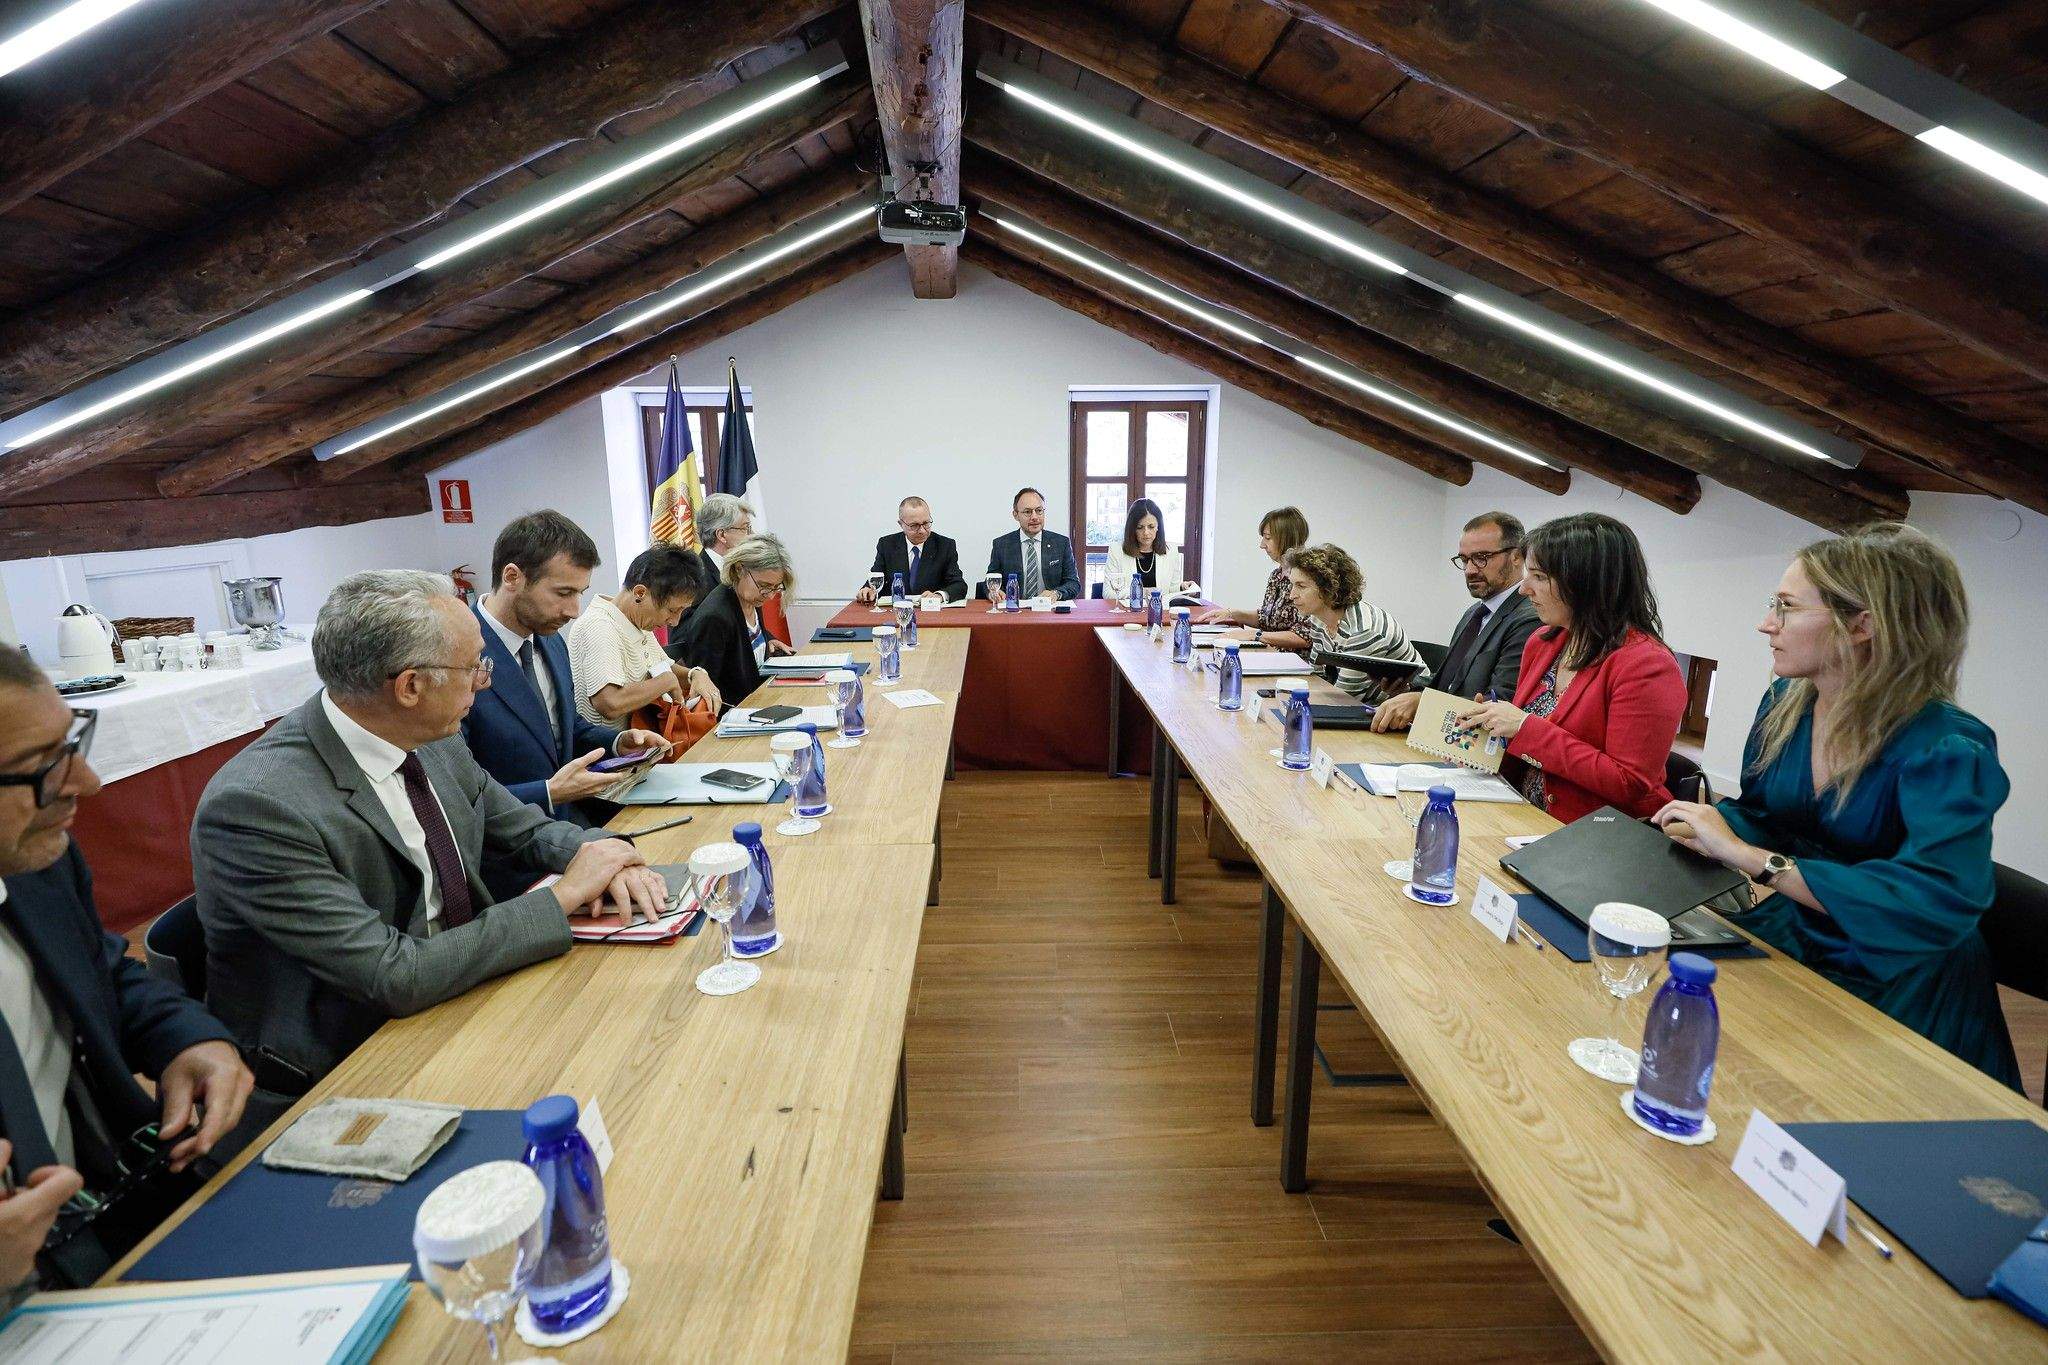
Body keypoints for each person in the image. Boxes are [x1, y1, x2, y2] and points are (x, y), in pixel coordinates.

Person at [193, 571, 670, 1147]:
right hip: (355, 1067)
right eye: (474, 668)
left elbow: (520, 829)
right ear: (410, 686)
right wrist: (563, 896)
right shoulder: (257, 806)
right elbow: (395, 975)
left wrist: (610, 856)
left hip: (465, 990)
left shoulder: (432, 735)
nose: (485, 684)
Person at [1653, 524, 2022, 1089]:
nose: (1765, 623)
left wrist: (1755, 860)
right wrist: (1706, 825)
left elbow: (1929, 903)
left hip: (1900, 977)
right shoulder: (1786, 704)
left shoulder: (1949, 747)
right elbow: (1772, 818)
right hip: (1802, 933)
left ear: (1863, 624)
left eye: (1787, 607)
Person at [0, 649, 251, 1296]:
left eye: (72, 742)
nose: (88, 782)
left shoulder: (36, 861)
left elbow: (101, 967)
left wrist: (189, 1036)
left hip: (129, 1204)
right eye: (43, 766)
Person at [1457, 513, 1685, 823]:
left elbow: (1628, 783)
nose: (1524, 589)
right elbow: (1527, 753)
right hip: (1519, 815)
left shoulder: (1647, 664)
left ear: (1584, 583)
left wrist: (1524, 727)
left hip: (1592, 835)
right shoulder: (1543, 642)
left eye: (1538, 576)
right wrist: (1488, 740)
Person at [463, 511, 669, 837]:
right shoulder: (460, 656)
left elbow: (566, 728)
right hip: (507, 846)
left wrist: (617, 743)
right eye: (563, 593)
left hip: (570, 824)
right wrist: (548, 792)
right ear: (512, 577)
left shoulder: (550, 640)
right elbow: (459, 797)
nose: (574, 611)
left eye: (580, 593)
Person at [1372, 511, 1540, 733]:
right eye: (1464, 559)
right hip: (1435, 734)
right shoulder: (1474, 613)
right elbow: (1448, 684)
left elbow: (1500, 703)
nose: (1470, 570)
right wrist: (1407, 688)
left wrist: (1420, 703)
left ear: (1517, 556)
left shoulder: (1529, 619)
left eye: (1482, 558)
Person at [566, 544, 722, 727]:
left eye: (681, 611)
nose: (674, 622)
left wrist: (695, 674)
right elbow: (609, 703)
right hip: (609, 751)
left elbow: (663, 667)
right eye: (672, 610)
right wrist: (665, 682)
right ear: (640, 593)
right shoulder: (599, 626)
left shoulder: (637, 622)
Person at [1281, 544, 1424, 704]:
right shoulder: (1318, 618)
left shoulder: (1364, 630)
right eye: (1292, 585)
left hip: (1402, 713)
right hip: (1366, 706)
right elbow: (1317, 677)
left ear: (1328, 588)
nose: (1291, 595)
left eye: (1301, 586)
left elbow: (1344, 700)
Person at [673, 533, 798, 705]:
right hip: (734, 714)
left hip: (760, 700)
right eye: (764, 586)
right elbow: (706, 694)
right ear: (739, 569)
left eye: (775, 588)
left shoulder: (750, 598)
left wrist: (767, 640)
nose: (769, 596)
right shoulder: (715, 618)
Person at [1195, 506, 1311, 652]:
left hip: (1295, 663)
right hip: (1270, 654)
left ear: (1286, 538)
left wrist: (1254, 635)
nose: (1262, 545)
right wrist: (1231, 613)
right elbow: (1266, 618)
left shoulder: (1307, 579)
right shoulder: (1276, 575)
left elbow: (1305, 637)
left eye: (1268, 538)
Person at [668, 494, 755, 636]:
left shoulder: (746, 568)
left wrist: (767, 639)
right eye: (745, 529)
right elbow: (682, 638)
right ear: (721, 535)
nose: (751, 535)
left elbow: (749, 621)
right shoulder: (691, 578)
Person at [856, 496, 967, 603]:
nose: (922, 530)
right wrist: (867, 590)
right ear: (901, 524)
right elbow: (876, 578)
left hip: (931, 613)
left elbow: (959, 585)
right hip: (894, 611)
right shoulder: (887, 544)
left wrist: (939, 596)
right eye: (914, 525)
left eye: (926, 523)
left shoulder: (945, 545)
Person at [985, 488, 1081, 601]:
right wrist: (993, 592)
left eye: (1039, 510)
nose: (1034, 517)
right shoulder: (1001, 544)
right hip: (1014, 611)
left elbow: (1073, 583)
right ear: (1015, 515)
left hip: (1049, 612)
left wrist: (1056, 594)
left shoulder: (1061, 543)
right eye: (1027, 512)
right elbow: (990, 580)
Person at [1104, 498, 1196, 604]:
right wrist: (1143, 592)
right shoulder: (1116, 550)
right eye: (1140, 527)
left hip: (1160, 612)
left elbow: (1170, 590)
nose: (1146, 533)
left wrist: (1182, 587)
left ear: (1158, 527)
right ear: (1132, 528)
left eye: (1151, 527)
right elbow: (1108, 593)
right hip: (1127, 613)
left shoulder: (1171, 550)